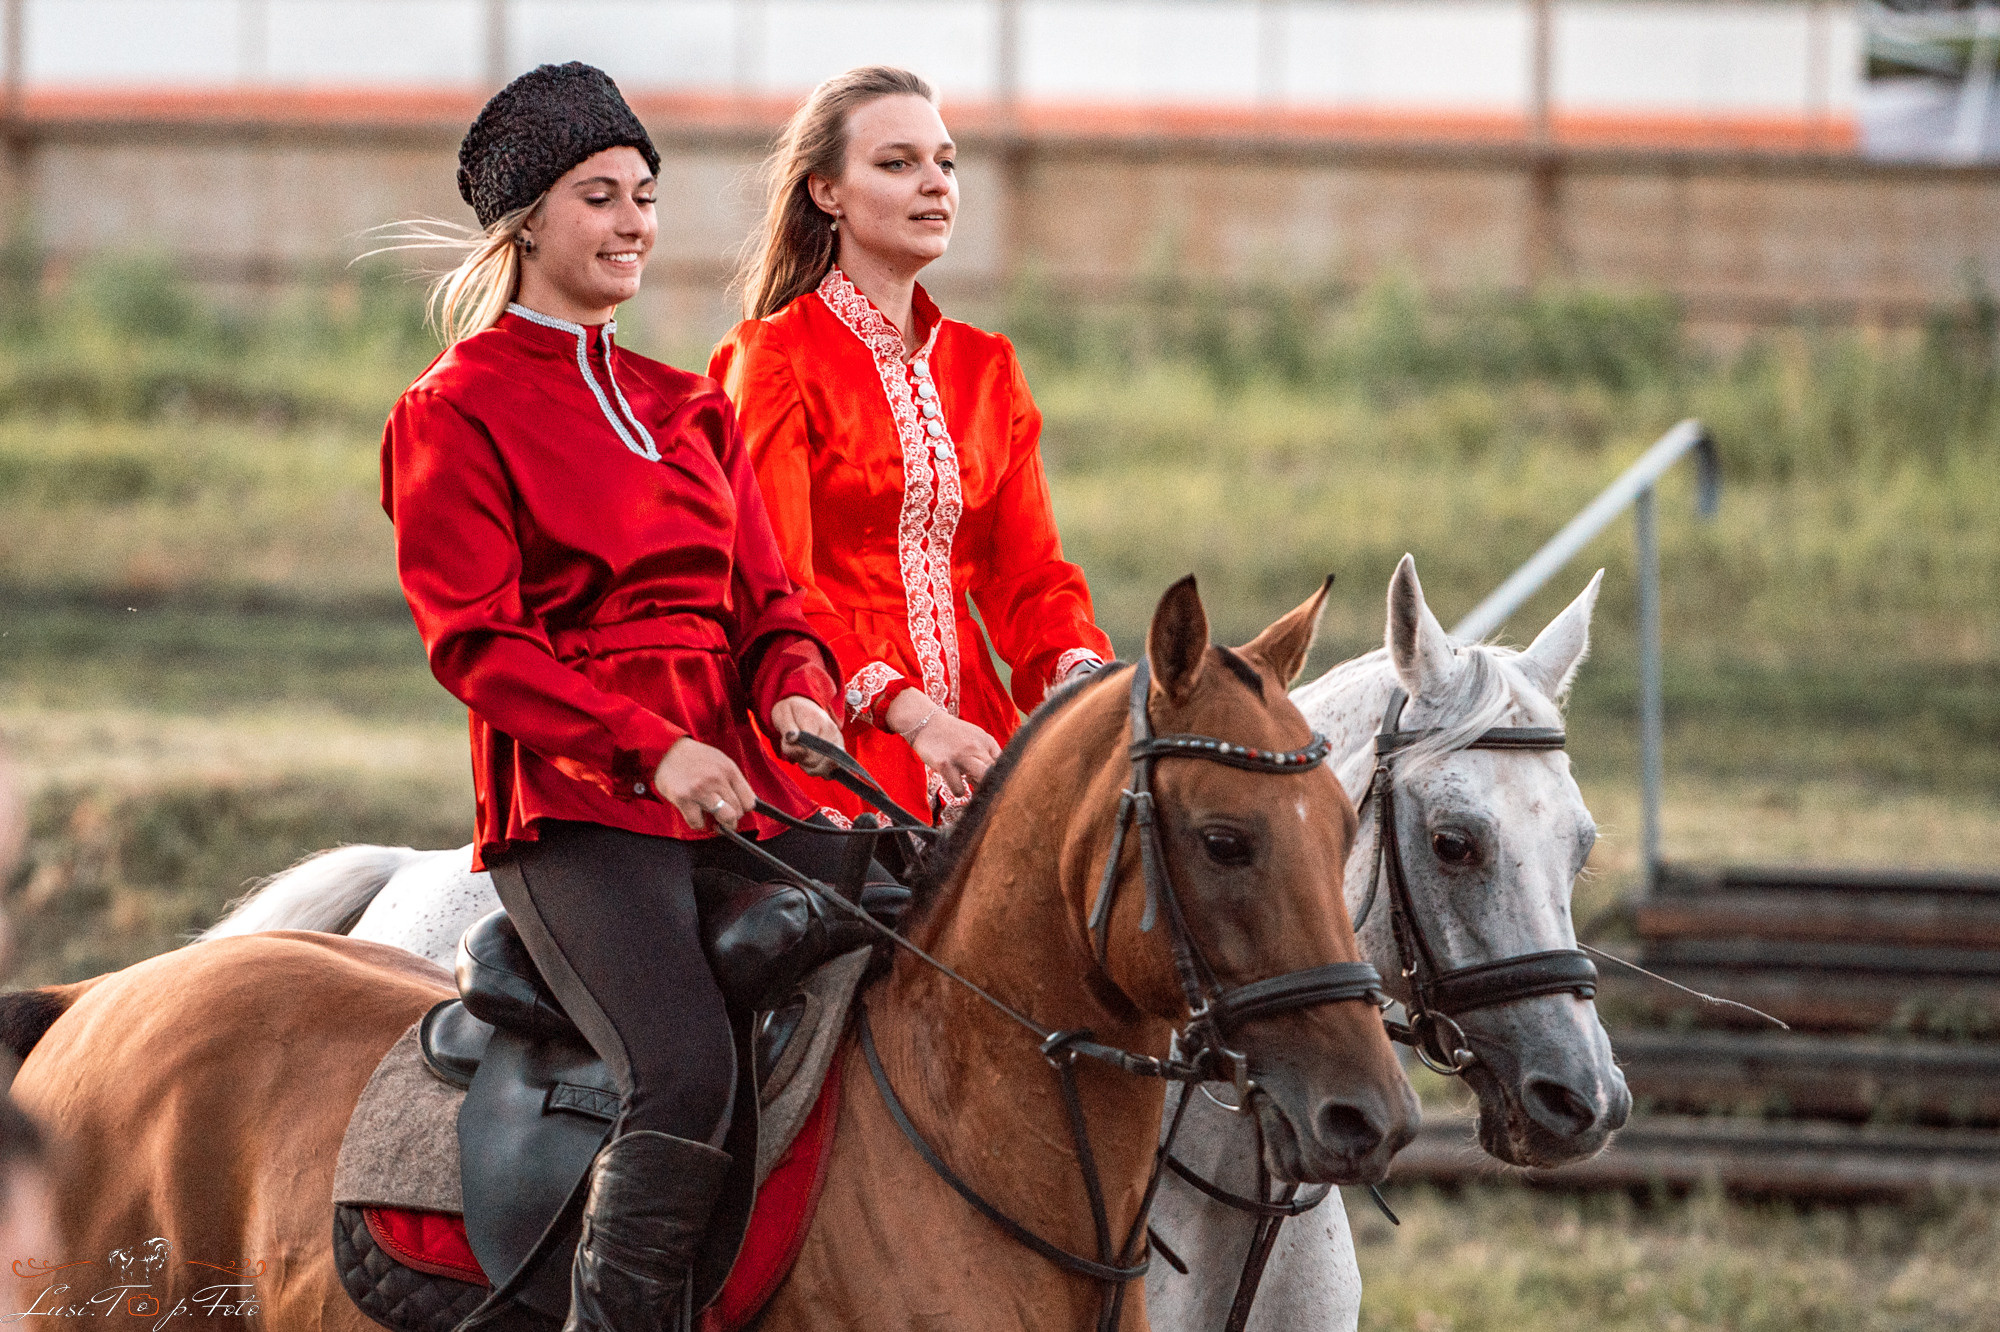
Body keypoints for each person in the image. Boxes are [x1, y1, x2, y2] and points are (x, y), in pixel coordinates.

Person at [380, 62, 859, 1332]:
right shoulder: (451, 411)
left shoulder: (688, 405)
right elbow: (476, 644)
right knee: (684, 1066)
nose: (634, 221)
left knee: (915, 928)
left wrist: (798, 693)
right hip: (575, 815)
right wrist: (653, 751)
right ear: (528, 220)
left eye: (644, 195)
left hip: (735, 789)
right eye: (600, 196)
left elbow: (769, 612)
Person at [709, 67, 1113, 822]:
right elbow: (776, 588)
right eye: (898, 163)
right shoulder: (772, 358)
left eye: (946, 162)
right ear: (826, 191)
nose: (935, 184)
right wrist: (912, 714)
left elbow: (1029, 576)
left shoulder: (986, 366)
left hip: (980, 743)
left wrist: (1082, 676)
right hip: (834, 745)